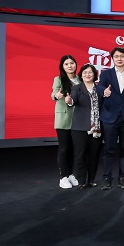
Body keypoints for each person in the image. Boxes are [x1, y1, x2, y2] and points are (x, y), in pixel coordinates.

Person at [96, 46, 124, 190]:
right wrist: (104, 91)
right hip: (109, 117)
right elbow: (99, 87)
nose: (119, 59)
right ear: (112, 58)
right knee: (109, 149)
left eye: (122, 56)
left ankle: (122, 178)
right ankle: (107, 178)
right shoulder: (106, 74)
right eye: (116, 56)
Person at [67, 64, 102, 189]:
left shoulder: (100, 89)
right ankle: (81, 180)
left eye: (90, 72)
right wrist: (69, 101)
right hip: (80, 127)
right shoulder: (76, 88)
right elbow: (73, 101)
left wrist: (107, 95)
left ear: (94, 75)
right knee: (80, 155)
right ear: (81, 75)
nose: (87, 75)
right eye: (85, 72)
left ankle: (91, 180)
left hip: (96, 127)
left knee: (94, 155)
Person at [52, 55, 80, 189]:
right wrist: (56, 95)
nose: (70, 66)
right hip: (63, 118)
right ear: (62, 67)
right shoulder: (58, 79)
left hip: (78, 118)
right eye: (66, 64)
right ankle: (63, 177)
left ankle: (70, 174)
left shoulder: (80, 79)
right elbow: (53, 93)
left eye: (72, 63)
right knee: (64, 148)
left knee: (74, 148)